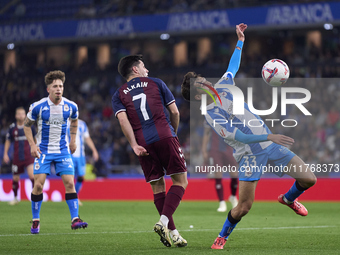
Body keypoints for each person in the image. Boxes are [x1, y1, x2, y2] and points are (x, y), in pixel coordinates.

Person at [181, 23, 317, 250]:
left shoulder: (224, 84)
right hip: (249, 154)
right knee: (243, 207)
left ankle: (288, 199)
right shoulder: (211, 115)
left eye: (202, 78)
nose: (205, 81)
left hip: (269, 143)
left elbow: (232, 66)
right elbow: (240, 137)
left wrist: (241, 40)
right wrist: (269, 136)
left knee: (309, 179)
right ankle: (222, 235)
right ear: (197, 96)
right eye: (200, 83)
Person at [112, 55, 188, 248]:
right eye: (144, 66)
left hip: (143, 144)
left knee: (158, 188)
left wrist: (133, 145)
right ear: (135, 70)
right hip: (164, 135)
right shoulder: (156, 83)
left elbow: (123, 121)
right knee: (181, 181)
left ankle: (174, 233)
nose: (147, 70)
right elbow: (175, 112)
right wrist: (173, 133)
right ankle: (163, 223)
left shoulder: (118, 94)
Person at [23, 70, 88, 234]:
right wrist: (32, 145)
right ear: (48, 89)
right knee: (38, 185)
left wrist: (73, 140)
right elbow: (26, 125)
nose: (58, 89)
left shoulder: (71, 106)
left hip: (62, 151)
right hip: (43, 151)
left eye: (61, 86)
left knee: (70, 183)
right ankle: (36, 220)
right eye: (55, 86)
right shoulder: (38, 106)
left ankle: (75, 219)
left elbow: (74, 121)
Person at [202, 122, 238, 212]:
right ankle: (222, 202)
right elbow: (206, 133)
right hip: (216, 149)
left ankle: (233, 197)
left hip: (229, 148)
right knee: (218, 174)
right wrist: (204, 149)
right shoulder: (209, 116)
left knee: (234, 174)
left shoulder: (230, 115)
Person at [2, 107, 35, 205]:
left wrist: (36, 149)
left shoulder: (30, 126)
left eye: (23, 114)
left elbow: (35, 139)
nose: (21, 115)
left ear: (25, 115)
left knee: (32, 176)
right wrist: (5, 154)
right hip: (17, 157)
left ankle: (35, 197)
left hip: (28, 156)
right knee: (15, 178)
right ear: (16, 116)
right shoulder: (12, 127)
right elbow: (8, 141)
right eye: (19, 114)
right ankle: (15, 198)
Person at [67, 119, 99, 205]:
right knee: (70, 178)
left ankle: (76, 196)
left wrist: (94, 150)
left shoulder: (82, 124)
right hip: (69, 155)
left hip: (81, 155)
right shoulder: (65, 123)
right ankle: (71, 198)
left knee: (81, 177)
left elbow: (87, 138)